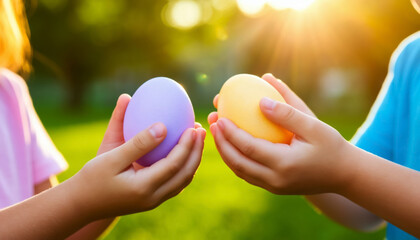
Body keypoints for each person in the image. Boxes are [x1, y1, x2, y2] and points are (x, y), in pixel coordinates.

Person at [208, 0, 420, 238]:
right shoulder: (411, 59)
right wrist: (302, 146)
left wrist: (346, 168)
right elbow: (364, 208)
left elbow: (352, 172)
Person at [0, 1, 206, 239]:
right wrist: (80, 198)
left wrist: (117, 180)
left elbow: (55, 230)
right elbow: (71, 206)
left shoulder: (9, 94)